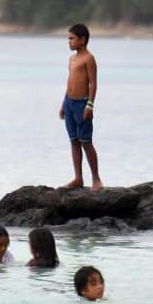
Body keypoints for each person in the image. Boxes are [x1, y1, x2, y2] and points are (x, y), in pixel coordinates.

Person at [60, 24, 103, 192]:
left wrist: (90, 105)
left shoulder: (89, 59)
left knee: (86, 141)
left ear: (82, 39)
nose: (69, 42)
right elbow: (69, 82)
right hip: (70, 103)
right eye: (68, 39)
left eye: (72, 38)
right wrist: (64, 104)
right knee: (74, 141)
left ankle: (96, 179)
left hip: (82, 103)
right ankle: (78, 177)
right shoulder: (72, 59)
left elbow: (93, 84)